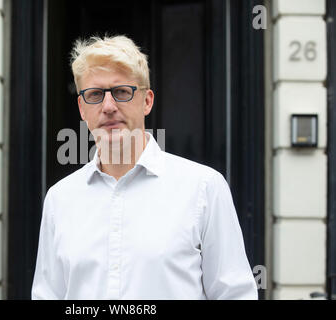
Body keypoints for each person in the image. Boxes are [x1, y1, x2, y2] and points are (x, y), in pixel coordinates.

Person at [31, 35, 258, 300]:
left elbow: (235, 294)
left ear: (147, 101)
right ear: (82, 108)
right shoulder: (60, 199)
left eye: (122, 92)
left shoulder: (204, 188)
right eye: (94, 95)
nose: (108, 107)